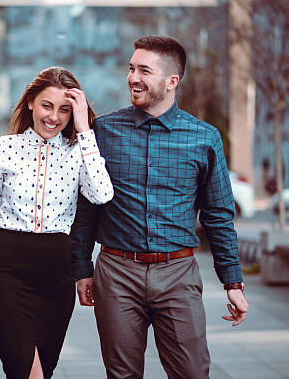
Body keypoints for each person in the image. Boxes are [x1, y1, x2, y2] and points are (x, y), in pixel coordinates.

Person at [70, 35, 249, 379]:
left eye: (144, 71)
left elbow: (218, 215)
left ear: (171, 81)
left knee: (193, 372)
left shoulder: (204, 138)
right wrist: (82, 267)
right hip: (117, 272)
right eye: (131, 68)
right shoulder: (103, 130)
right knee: (122, 376)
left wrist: (233, 283)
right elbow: (87, 206)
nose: (133, 77)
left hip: (177, 273)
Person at [0, 67, 113, 379]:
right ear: (30, 102)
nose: (54, 117)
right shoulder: (2, 148)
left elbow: (101, 194)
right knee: (26, 371)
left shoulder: (78, 152)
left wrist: (84, 130)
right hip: (4, 269)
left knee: (42, 371)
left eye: (64, 110)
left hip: (55, 274)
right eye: (47, 105)